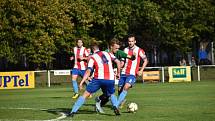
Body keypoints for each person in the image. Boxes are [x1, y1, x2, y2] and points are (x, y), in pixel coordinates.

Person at [68, 41, 121, 117]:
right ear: (98, 47)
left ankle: (73, 112)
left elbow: (88, 71)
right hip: (110, 79)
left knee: (85, 94)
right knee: (111, 94)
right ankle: (115, 106)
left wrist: (82, 82)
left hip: (98, 79)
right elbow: (118, 62)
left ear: (92, 49)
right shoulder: (108, 53)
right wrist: (118, 73)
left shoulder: (92, 57)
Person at [95, 38, 136, 113]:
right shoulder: (104, 53)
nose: (117, 50)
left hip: (110, 76)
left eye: (118, 48)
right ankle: (113, 106)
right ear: (111, 46)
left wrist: (134, 56)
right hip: (102, 75)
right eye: (116, 48)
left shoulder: (119, 52)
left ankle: (100, 103)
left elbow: (131, 58)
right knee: (109, 94)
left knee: (108, 95)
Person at [116, 34, 148, 108]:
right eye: (129, 41)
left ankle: (116, 104)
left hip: (132, 73)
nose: (130, 43)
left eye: (132, 41)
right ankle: (121, 100)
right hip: (123, 72)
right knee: (120, 89)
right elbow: (122, 61)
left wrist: (141, 70)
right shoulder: (125, 50)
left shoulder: (139, 50)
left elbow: (145, 60)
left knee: (126, 87)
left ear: (135, 41)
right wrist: (119, 67)